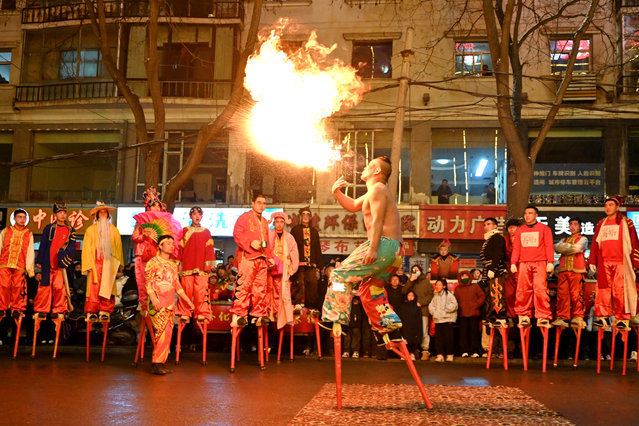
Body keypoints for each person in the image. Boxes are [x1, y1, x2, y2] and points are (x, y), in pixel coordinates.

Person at [322, 156, 404, 338]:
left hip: (384, 245)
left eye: (370, 165)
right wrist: (337, 192)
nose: (365, 167)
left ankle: (337, 317)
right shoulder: (374, 192)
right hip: (395, 251)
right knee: (369, 288)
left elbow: (377, 221)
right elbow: (352, 206)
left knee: (339, 274)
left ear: (377, 171)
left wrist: (373, 248)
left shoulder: (377, 190)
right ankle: (388, 325)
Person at [587, 196, 639, 331]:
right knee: (602, 290)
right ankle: (602, 317)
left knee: (620, 290)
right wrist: (593, 260)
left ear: (617, 207)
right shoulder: (601, 223)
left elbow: (634, 242)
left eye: (611, 205)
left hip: (621, 262)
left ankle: (622, 318)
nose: (608, 207)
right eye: (606, 205)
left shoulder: (626, 222)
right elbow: (595, 243)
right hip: (604, 262)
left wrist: (636, 263)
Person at [145, 235, 193, 375]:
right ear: (160, 245)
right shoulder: (152, 262)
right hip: (157, 302)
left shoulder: (173, 265)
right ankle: (156, 362)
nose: (172, 246)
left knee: (168, 333)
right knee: (161, 332)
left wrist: (188, 301)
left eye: (173, 244)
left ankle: (160, 362)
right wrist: (153, 298)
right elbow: (148, 282)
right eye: (168, 243)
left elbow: (177, 285)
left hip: (170, 303)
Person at [230, 194, 275, 327]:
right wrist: (250, 243)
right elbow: (237, 234)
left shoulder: (265, 222)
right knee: (244, 286)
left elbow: (266, 242)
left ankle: (258, 314)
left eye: (264, 203)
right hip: (248, 256)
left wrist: (270, 257)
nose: (262, 205)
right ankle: (239, 314)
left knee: (260, 288)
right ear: (253, 203)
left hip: (261, 258)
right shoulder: (244, 217)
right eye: (259, 202)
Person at [510, 205, 554, 328]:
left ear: (536, 215)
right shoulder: (520, 230)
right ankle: (523, 314)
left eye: (530, 213)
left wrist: (550, 261)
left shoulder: (544, 229)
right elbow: (516, 248)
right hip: (524, 263)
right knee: (523, 290)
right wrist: (514, 262)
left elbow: (549, 246)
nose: (527, 215)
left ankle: (543, 315)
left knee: (540, 289)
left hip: (540, 262)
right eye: (526, 213)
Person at [81, 202, 124, 322]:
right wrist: (88, 264)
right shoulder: (90, 230)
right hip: (95, 262)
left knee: (107, 286)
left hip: (108, 262)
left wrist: (119, 266)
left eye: (105, 212)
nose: (103, 214)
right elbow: (86, 248)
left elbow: (118, 248)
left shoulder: (114, 230)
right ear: (97, 215)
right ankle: (92, 310)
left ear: (108, 215)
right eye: (101, 212)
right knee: (94, 287)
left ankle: (104, 309)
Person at [34, 202, 76, 320]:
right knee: (44, 287)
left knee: (59, 287)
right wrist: (39, 264)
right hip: (48, 263)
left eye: (64, 213)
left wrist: (65, 259)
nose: (62, 215)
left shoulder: (70, 230)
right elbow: (43, 246)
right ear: (55, 214)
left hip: (60, 265)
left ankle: (58, 309)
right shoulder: (49, 228)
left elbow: (72, 248)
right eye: (60, 213)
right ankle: (42, 309)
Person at [177, 207, 215, 323]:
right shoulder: (184, 231)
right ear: (190, 216)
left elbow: (209, 249)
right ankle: (185, 313)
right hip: (187, 266)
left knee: (201, 291)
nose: (197, 216)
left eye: (199, 214)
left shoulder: (206, 232)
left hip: (201, 267)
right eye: (194, 214)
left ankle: (201, 312)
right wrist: (177, 265)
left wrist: (209, 265)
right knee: (186, 290)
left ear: (202, 217)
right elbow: (179, 250)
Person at [0, 209, 35, 321]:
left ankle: (16, 308)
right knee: (3, 286)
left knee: (17, 287)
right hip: (4, 264)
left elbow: (30, 252)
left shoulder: (29, 234)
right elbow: (0, 246)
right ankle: (2, 307)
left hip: (20, 266)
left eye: (24, 217)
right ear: (14, 218)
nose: (22, 219)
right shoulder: (6, 231)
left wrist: (30, 269)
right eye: (19, 217)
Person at [553, 217, 588, 328]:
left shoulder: (583, 239)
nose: (572, 226)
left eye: (575, 224)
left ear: (580, 227)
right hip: (563, 270)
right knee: (562, 295)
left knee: (577, 294)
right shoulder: (564, 239)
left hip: (577, 271)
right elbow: (556, 248)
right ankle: (562, 317)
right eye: (571, 224)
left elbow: (577, 249)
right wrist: (569, 248)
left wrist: (565, 249)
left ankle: (578, 316)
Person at [267, 212, 299, 329]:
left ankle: (279, 315)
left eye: (281, 222)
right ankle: (269, 314)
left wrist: (290, 255)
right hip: (269, 269)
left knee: (282, 292)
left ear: (284, 223)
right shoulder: (268, 234)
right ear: (274, 223)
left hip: (283, 269)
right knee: (269, 291)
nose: (279, 224)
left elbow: (295, 251)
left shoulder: (290, 237)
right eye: (277, 222)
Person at [290, 206, 323, 316]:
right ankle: (297, 305)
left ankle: (312, 307)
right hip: (298, 263)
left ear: (310, 217)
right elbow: (291, 247)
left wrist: (319, 265)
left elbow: (317, 248)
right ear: (300, 217)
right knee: (298, 283)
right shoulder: (295, 230)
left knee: (313, 284)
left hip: (312, 263)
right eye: (303, 214)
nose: (305, 217)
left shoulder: (314, 232)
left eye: (307, 215)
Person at [480, 217, 508, 326]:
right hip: (489, 270)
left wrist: (492, 268)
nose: (486, 226)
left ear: (495, 226)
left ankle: (500, 316)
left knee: (497, 293)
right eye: (485, 224)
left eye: (489, 224)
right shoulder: (489, 239)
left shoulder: (497, 238)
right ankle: (492, 316)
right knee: (490, 295)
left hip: (496, 270)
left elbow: (498, 254)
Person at [402, 265, 434, 360]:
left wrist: (422, 302)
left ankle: (425, 350)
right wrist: (410, 281)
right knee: (411, 331)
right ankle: (413, 350)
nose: (416, 272)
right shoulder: (411, 281)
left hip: (423, 310)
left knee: (424, 331)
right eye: (414, 270)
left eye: (417, 270)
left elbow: (430, 295)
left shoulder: (426, 282)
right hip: (411, 312)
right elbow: (404, 292)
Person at [454, 270, 485, 358]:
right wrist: (459, 308)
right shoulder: (457, 289)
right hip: (463, 314)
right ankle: (464, 351)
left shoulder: (475, 286)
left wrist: (476, 305)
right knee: (463, 334)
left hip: (474, 313)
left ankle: (474, 351)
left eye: (465, 276)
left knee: (474, 333)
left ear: (469, 277)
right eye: (462, 277)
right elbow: (455, 301)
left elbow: (482, 296)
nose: (464, 278)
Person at [428, 278, 458, 362]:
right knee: (439, 339)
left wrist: (445, 310)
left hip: (448, 320)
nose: (437, 286)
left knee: (448, 338)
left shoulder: (449, 295)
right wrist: (434, 312)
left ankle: (449, 354)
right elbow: (431, 306)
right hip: (438, 320)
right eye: (436, 285)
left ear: (444, 286)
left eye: (439, 285)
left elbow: (454, 305)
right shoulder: (435, 296)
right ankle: (440, 354)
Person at [398, 291, 424, 360]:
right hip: (404, 326)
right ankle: (404, 354)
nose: (410, 297)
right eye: (409, 295)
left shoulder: (417, 306)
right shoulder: (403, 306)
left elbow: (419, 319)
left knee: (413, 340)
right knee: (404, 340)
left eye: (412, 296)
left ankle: (412, 354)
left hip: (413, 326)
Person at [504, 218, 521, 320]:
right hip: (508, 270)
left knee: (521, 293)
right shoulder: (504, 240)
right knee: (509, 294)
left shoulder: (523, 238)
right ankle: (510, 315)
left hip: (521, 269)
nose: (511, 230)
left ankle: (522, 314)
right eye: (509, 228)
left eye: (513, 227)